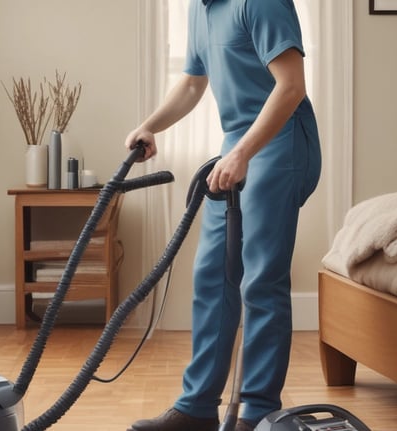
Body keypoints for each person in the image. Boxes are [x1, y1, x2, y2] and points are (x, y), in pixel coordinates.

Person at [124, 0, 321, 430]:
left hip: (280, 141)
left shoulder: (261, 3)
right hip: (236, 147)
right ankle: (196, 408)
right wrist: (151, 125)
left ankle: (258, 410)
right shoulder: (201, 9)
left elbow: (291, 87)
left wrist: (243, 153)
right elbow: (194, 83)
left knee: (261, 276)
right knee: (212, 274)